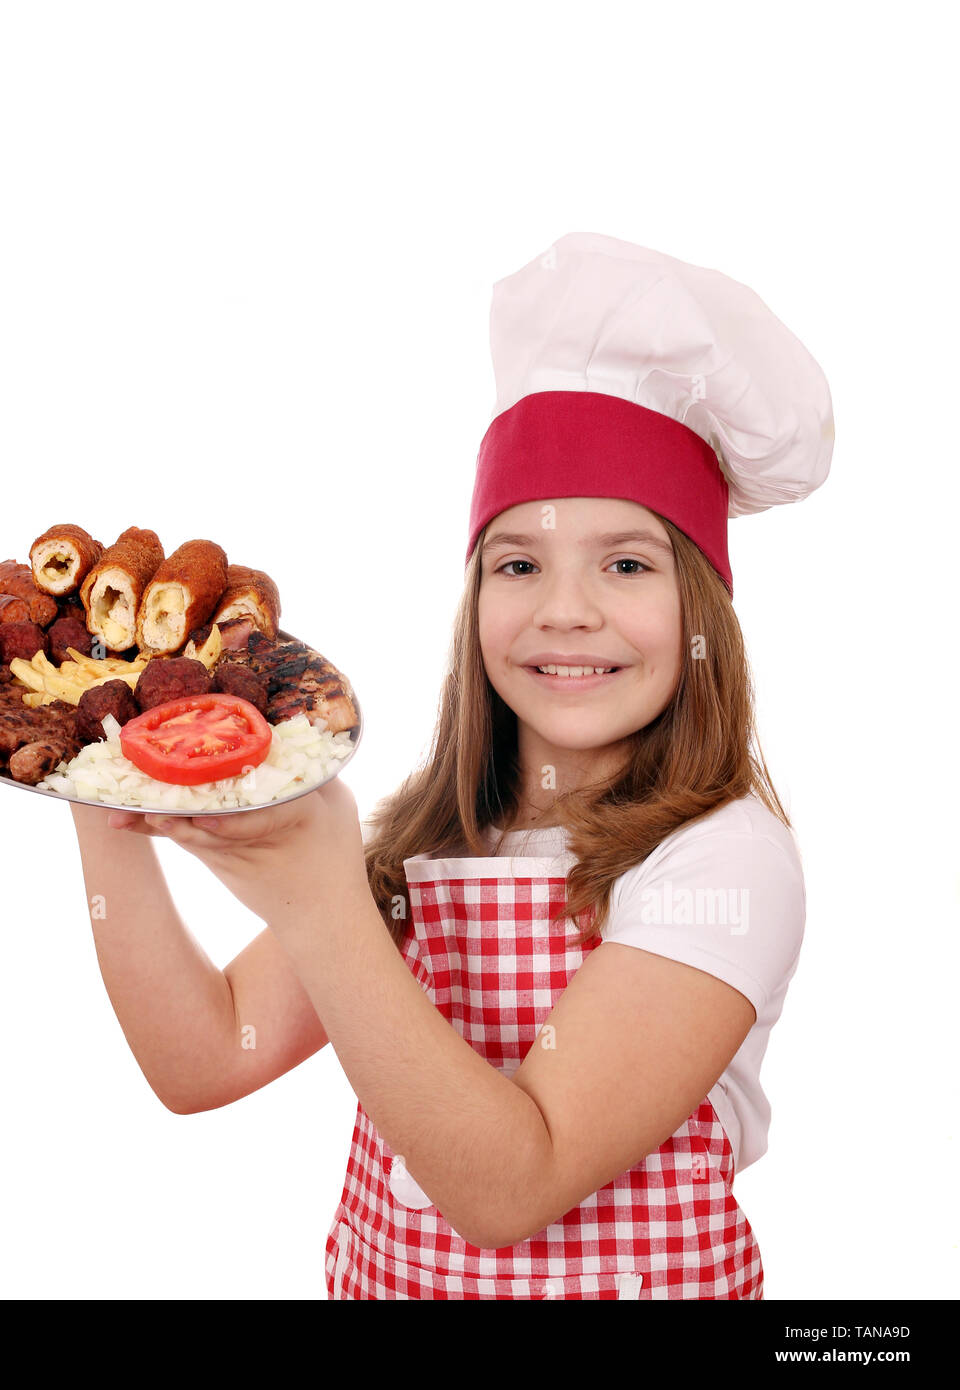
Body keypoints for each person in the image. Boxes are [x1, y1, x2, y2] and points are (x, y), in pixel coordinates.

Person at [70, 231, 834, 1299]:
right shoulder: (430, 839)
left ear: (701, 606)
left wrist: (322, 899)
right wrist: (98, 776)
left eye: (625, 561)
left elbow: (511, 1187)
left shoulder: (722, 862)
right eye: (518, 562)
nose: (565, 608)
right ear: (476, 599)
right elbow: (206, 1057)